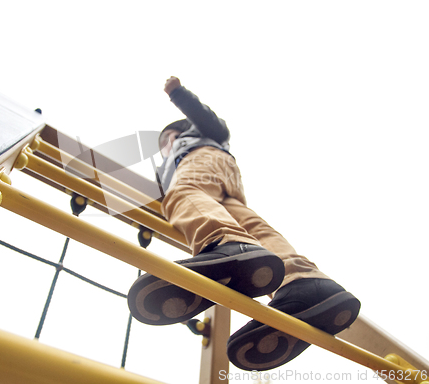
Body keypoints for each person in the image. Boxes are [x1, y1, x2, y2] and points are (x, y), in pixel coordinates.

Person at [127, 77, 360, 371]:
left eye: (169, 138)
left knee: (183, 195)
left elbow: (213, 125)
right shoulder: (183, 154)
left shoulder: (195, 136)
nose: (166, 145)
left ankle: (226, 246)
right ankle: (304, 282)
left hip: (201, 163)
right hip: (226, 177)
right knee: (251, 226)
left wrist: (179, 95)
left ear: (181, 131)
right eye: (163, 144)